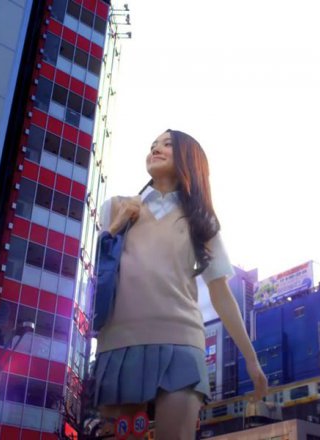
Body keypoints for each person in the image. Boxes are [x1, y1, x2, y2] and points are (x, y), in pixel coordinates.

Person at [93, 129, 268, 439]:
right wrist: (117, 226)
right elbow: (99, 271)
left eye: (167, 144)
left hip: (181, 341)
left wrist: (252, 361)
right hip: (119, 342)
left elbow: (221, 293)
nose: (156, 148)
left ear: (189, 159)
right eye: (153, 145)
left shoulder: (201, 220)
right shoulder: (116, 207)